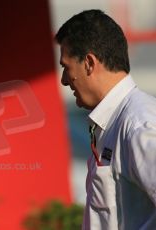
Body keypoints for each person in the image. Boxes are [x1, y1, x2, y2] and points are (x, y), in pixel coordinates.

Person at [55, 9, 156, 229]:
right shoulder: (116, 121)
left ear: (89, 63)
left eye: (66, 67)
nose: (64, 80)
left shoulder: (138, 124)